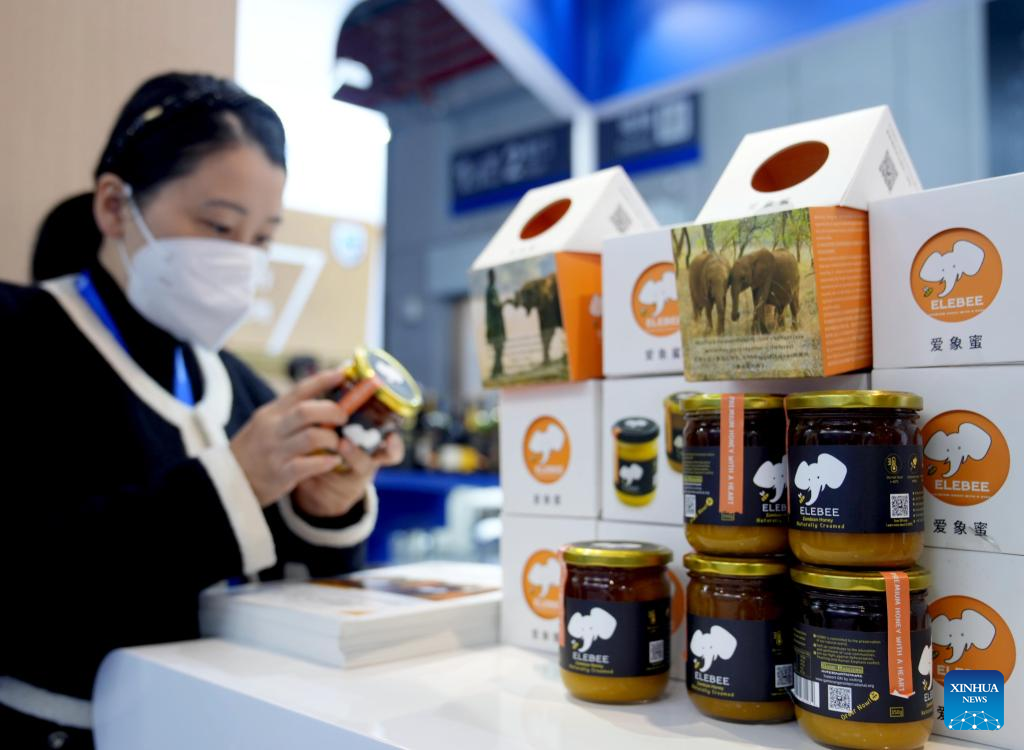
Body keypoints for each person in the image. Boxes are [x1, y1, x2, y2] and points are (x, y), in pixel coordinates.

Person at [0, 72, 403, 749]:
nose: (240, 260)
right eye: (217, 226)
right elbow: (30, 578)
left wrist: (322, 510)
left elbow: (300, 604)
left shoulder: (237, 383)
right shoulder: (20, 337)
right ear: (114, 207)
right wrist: (233, 483)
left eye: (262, 238)